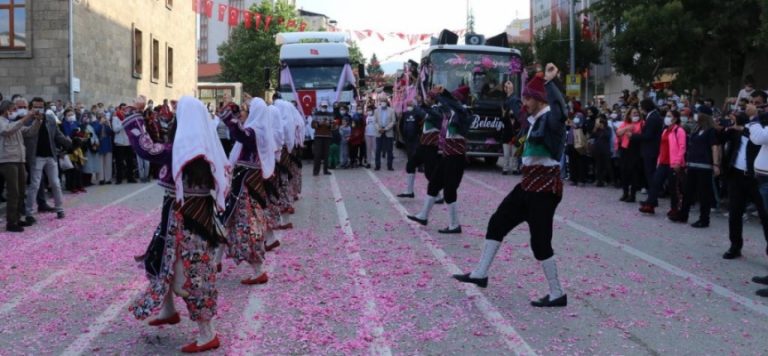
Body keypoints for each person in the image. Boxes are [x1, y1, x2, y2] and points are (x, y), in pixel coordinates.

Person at [452, 63, 569, 307]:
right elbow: (519, 113)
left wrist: (550, 82)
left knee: (540, 243)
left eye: (528, 98)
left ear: (539, 99)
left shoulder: (552, 121)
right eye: (524, 98)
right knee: (497, 222)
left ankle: (557, 293)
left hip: (545, 190)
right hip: (527, 186)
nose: (524, 103)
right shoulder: (534, 119)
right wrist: (511, 96)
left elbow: (560, 109)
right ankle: (480, 274)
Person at [126, 96, 230, 353]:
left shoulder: (183, 149)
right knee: (160, 260)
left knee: (192, 276)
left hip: (186, 223)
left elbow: (146, 149)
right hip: (187, 219)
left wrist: (133, 115)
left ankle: (208, 334)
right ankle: (169, 309)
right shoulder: (206, 145)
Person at [219, 96, 273, 285]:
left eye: (246, 111)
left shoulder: (256, 132)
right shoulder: (260, 131)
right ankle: (215, 261)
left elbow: (239, 133)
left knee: (246, 225)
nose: (243, 114)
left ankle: (258, 270)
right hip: (243, 184)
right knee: (228, 221)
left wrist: (227, 112)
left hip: (245, 187)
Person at [407, 85, 472, 234]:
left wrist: (442, 94)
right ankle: (423, 215)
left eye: (455, 98)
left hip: (456, 158)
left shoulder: (463, 113)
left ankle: (454, 225)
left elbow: (451, 103)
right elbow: (433, 111)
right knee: (434, 184)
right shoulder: (451, 113)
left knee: (450, 191)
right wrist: (424, 103)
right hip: (447, 156)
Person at [24, 97, 72, 222]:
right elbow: (26, 136)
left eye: (41, 106)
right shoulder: (27, 120)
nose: (38, 109)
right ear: (31, 108)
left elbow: (57, 134)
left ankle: (60, 208)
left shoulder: (50, 119)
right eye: (35, 106)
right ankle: (29, 212)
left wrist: (69, 143)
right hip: (36, 156)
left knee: (55, 183)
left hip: (50, 155)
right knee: (34, 184)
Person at [673, 107, 721, 227]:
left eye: (698, 113)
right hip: (693, 164)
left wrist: (716, 164)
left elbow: (715, 147)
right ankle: (683, 215)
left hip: (704, 165)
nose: (696, 115)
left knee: (704, 194)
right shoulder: (697, 129)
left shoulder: (711, 130)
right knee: (688, 191)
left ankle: (704, 219)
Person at [0, 100, 42, 232]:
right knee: (13, 191)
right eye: (14, 109)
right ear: (6, 109)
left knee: (21, 190)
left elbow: (30, 132)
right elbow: (7, 131)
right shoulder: (2, 122)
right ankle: (11, 222)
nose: (16, 111)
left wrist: (37, 121)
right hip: (7, 160)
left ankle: (17, 218)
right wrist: (26, 118)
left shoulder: (15, 123)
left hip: (19, 159)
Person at [640, 110, 687, 215]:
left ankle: (674, 209)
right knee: (655, 183)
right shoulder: (665, 131)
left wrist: (678, 162)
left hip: (673, 163)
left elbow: (682, 147)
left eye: (669, 116)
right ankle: (650, 204)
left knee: (673, 187)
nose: (667, 118)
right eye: (666, 116)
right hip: (663, 162)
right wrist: (658, 160)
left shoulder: (679, 131)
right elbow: (662, 147)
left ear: (675, 118)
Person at [634, 99, 664, 194]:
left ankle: (653, 196)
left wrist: (633, 136)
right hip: (650, 149)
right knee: (650, 172)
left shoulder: (653, 118)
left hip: (650, 150)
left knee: (650, 173)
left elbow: (648, 136)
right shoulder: (652, 116)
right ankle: (653, 194)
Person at [616, 108, 644, 202]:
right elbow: (618, 132)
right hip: (625, 149)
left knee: (634, 173)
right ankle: (625, 193)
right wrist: (627, 128)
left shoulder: (642, 123)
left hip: (635, 150)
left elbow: (643, 136)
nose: (635, 115)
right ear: (629, 115)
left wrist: (632, 134)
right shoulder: (625, 123)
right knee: (624, 172)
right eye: (633, 113)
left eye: (637, 113)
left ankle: (632, 195)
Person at [112, 104, 137, 184]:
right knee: (119, 162)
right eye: (123, 109)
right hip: (120, 143)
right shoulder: (115, 118)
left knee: (130, 161)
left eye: (125, 109)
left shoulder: (128, 117)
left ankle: (130, 177)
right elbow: (115, 129)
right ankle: (119, 179)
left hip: (128, 142)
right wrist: (123, 123)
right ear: (119, 109)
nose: (124, 110)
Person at [501, 80, 522, 175]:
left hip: (514, 128)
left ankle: (513, 168)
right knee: (506, 150)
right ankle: (506, 167)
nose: (507, 87)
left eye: (509, 84)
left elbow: (518, 114)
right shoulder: (506, 99)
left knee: (513, 149)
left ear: (512, 87)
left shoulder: (515, 99)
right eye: (506, 86)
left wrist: (513, 115)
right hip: (507, 127)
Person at [311, 101, 333, 175]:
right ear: (320, 106)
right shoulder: (316, 114)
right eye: (323, 106)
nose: (324, 108)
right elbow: (312, 125)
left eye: (325, 106)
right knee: (317, 154)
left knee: (326, 154)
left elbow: (333, 125)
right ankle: (316, 171)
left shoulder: (330, 114)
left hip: (327, 136)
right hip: (318, 136)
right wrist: (318, 124)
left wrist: (329, 124)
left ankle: (325, 170)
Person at [374, 96, 396, 171]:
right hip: (379, 132)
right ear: (380, 102)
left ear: (387, 102)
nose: (383, 102)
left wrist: (386, 129)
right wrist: (379, 129)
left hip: (388, 132)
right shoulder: (376, 111)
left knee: (389, 150)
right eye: (382, 101)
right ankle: (377, 165)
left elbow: (393, 121)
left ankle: (390, 166)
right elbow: (375, 121)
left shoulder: (392, 110)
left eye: (384, 101)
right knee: (378, 150)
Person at [591, 115, 613, 187]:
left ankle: (612, 180)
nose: (600, 122)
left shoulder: (608, 128)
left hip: (605, 149)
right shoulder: (597, 129)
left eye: (601, 121)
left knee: (608, 166)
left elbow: (608, 136)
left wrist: (603, 128)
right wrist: (596, 127)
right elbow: (592, 135)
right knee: (598, 166)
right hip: (597, 149)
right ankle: (599, 181)